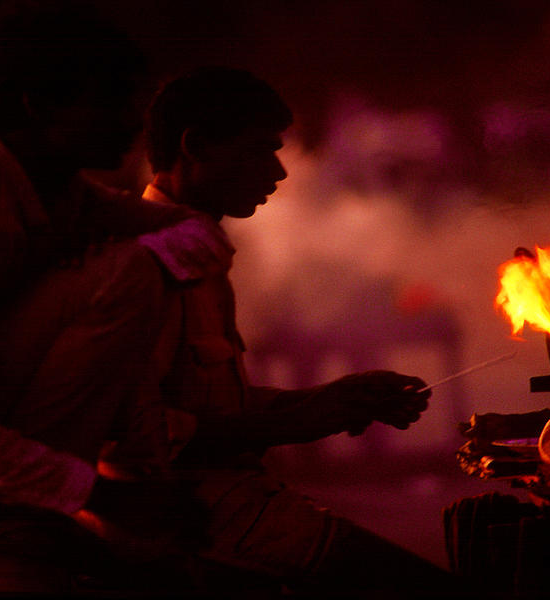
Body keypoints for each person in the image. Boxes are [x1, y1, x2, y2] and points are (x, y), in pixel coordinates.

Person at [0, 2, 205, 585]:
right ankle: (12, 509)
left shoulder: (56, 193)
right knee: (127, 274)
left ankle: (45, 499)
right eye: (112, 102)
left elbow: (186, 231)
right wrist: (101, 497)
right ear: (37, 106)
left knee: (137, 262)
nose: (131, 122)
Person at [135, 66, 455, 594]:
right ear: (195, 147)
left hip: (241, 508)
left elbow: (209, 405)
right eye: (259, 150)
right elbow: (136, 436)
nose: (278, 172)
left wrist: (328, 400)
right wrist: (300, 422)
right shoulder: (145, 262)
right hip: (192, 525)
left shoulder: (199, 251)